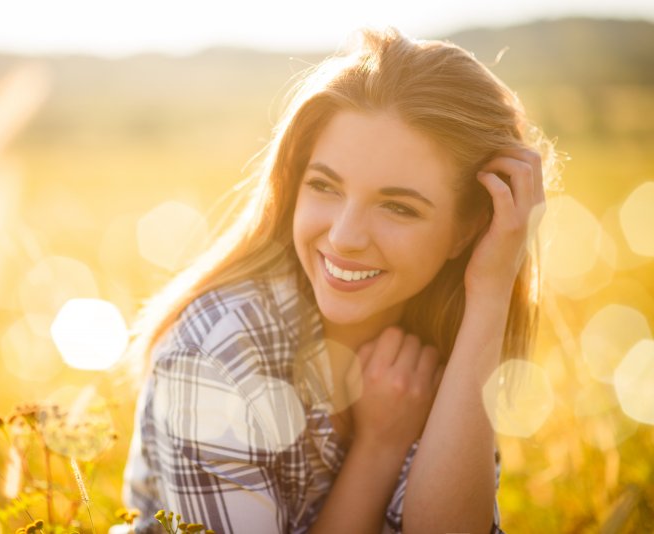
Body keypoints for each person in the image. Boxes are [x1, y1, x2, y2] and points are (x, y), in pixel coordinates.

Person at [122, 26, 558, 534]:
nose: (345, 236)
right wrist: (378, 449)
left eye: (398, 206)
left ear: (467, 231)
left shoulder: (444, 338)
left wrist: (490, 295)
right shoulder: (216, 353)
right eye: (324, 185)